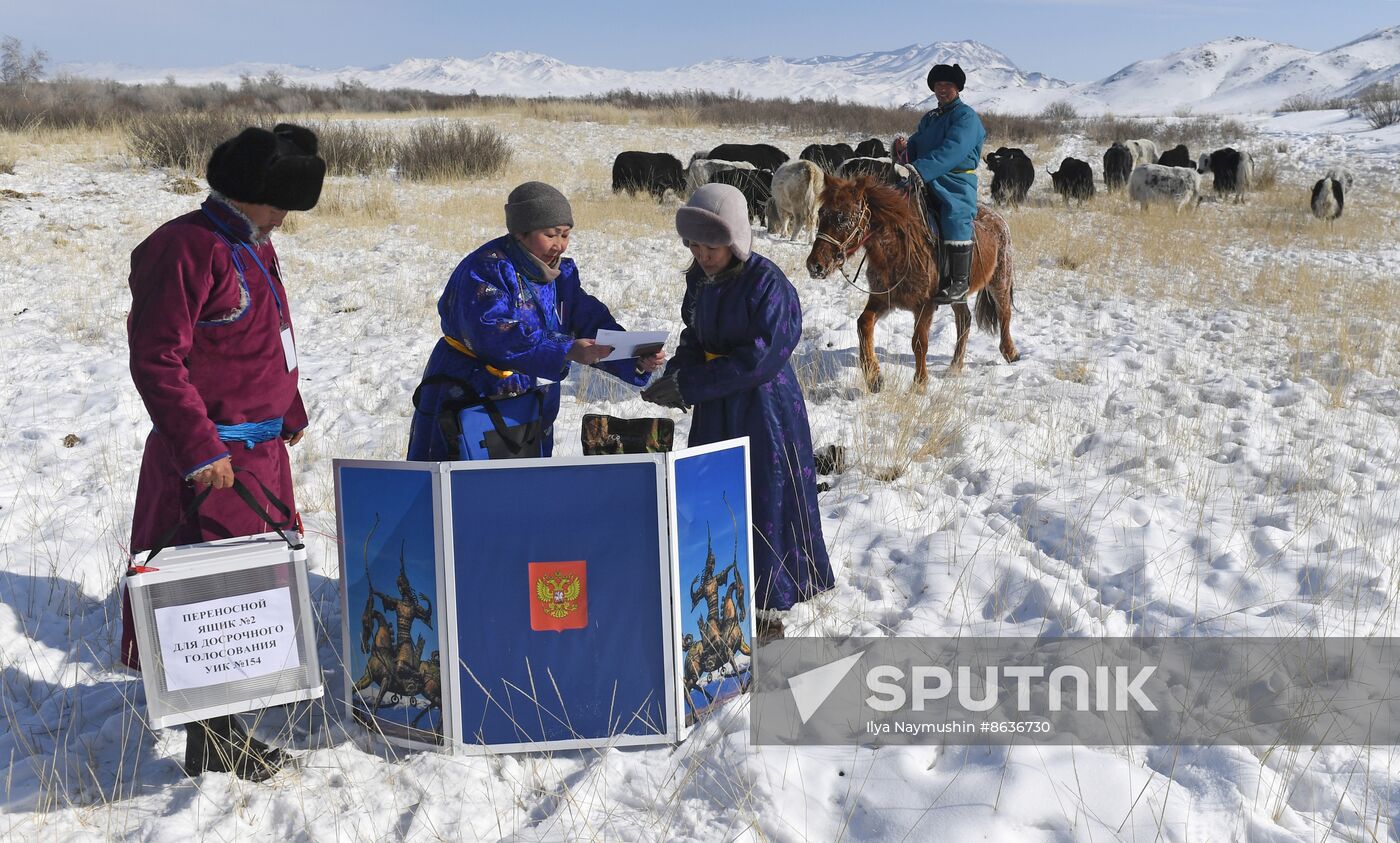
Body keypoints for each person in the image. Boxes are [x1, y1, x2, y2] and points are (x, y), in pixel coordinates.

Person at [125, 123, 325, 780]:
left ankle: (219, 731)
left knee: (248, 598)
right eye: (283, 204)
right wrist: (199, 446)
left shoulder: (254, 245)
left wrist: (287, 408)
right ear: (254, 195)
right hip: (210, 467)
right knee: (208, 603)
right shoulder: (184, 249)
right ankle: (215, 739)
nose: (288, 218)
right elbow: (158, 359)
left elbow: (267, 340)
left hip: (259, 455)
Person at [642, 183, 833, 639]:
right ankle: (716, 590)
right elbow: (695, 336)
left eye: (711, 245)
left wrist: (692, 383)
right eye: (694, 245)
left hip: (763, 408)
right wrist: (676, 373)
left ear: (736, 239)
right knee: (716, 495)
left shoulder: (768, 284)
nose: (702, 254)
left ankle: (768, 605)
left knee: (764, 496)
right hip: (714, 408)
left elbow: (761, 358)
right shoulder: (700, 279)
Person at [407, 181, 665, 460]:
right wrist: (566, 349)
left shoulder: (561, 276)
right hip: (471, 396)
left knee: (525, 488)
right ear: (521, 232)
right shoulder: (485, 269)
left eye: (565, 235)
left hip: (530, 403)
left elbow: (590, 320)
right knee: (460, 488)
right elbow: (494, 332)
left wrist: (635, 356)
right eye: (551, 235)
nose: (560, 245)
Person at [893, 62, 986, 305]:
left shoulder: (966, 117)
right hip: (923, 176)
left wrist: (919, 169)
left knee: (954, 216)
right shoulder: (930, 118)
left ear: (957, 88)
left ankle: (959, 281)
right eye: (938, 85)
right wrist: (904, 149)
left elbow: (952, 150)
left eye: (948, 85)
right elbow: (918, 144)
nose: (942, 89)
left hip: (955, 180)